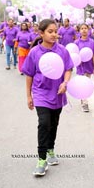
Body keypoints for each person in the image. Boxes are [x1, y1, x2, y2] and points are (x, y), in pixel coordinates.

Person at [21, 19, 74, 176]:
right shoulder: (34, 52)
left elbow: (68, 68)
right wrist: (28, 95)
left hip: (57, 92)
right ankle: (42, 159)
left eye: (55, 31)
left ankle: (51, 148)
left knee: (54, 123)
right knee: (44, 123)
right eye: (50, 31)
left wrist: (65, 82)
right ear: (41, 33)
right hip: (40, 93)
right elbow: (29, 74)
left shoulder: (62, 50)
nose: (54, 34)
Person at [75, 23, 94, 112]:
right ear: (79, 31)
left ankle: (83, 99)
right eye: (82, 28)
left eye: (85, 28)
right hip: (80, 67)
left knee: (86, 85)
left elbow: (93, 55)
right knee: (83, 84)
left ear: (88, 30)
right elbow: (74, 55)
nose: (84, 30)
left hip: (89, 66)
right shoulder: (76, 42)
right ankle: (85, 103)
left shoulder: (92, 42)